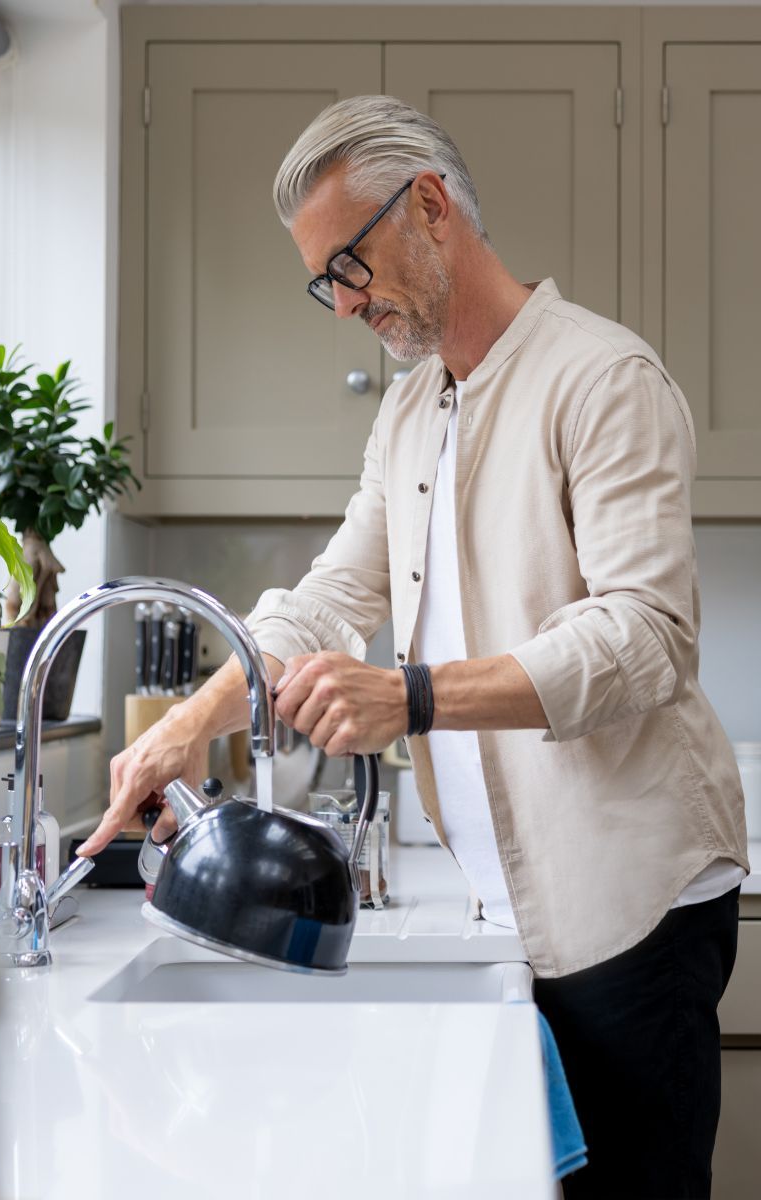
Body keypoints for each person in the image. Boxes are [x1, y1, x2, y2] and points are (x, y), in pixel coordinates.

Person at [78, 96, 748, 1198]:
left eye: (349, 264)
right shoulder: (411, 412)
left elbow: (646, 638)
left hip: (633, 908)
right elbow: (337, 591)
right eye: (323, 281)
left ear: (429, 208)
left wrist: (415, 695)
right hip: (516, 911)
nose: (342, 305)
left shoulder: (600, 380)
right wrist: (189, 727)